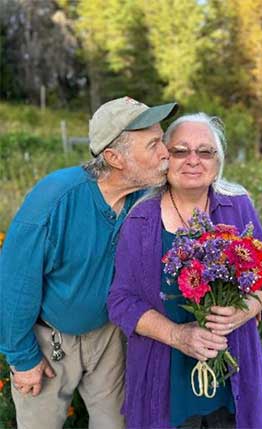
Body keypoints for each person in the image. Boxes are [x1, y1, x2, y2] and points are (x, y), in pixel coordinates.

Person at [0, 96, 178, 429]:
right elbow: (14, 285)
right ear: (114, 157)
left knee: (116, 424)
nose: (165, 152)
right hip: (50, 336)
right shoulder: (55, 200)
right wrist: (22, 358)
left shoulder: (143, 198)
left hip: (107, 334)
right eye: (153, 144)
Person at [108, 113, 262, 429]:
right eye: (181, 151)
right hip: (165, 381)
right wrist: (178, 335)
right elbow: (121, 301)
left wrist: (248, 309)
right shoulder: (141, 219)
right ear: (165, 158)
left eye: (205, 152)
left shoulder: (237, 206)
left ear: (218, 162)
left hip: (233, 377)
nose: (193, 160)